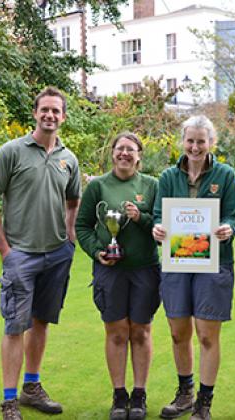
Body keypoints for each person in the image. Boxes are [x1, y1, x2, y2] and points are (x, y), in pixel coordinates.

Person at [0, 86, 81, 420]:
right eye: (45, 110)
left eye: (56, 111)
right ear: (35, 113)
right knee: (14, 327)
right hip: (20, 255)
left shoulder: (69, 159)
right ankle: (9, 401)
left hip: (56, 255)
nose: (50, 115)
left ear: (63, 116)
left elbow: (73, 201)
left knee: (41, 322)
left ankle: (31, 388)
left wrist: (69, 238)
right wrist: (5, 250)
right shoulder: (12, 151)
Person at [152, 115, 235, 420]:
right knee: (179, 333)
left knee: (206, 335)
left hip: (214, 262)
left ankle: (204, 403)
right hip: (176, 263)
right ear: (183, 141)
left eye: (201, 141)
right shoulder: (167, 177)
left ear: (211, 143)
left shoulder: (226, 175)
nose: (194, 146)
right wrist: (158, 228)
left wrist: (228, 228)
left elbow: (233, 215)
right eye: (190, 140)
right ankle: (185, 393)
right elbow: (157, 214)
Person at [76, 132, 160, 420]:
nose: (124, 154)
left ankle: (139, 394)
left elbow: (162, 226)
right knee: (116, 332)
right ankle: (119, 394)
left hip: (145, 270)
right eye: (119, 149)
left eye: (130, 150)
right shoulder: (98, 186)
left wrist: (142, 218)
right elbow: (83, 226)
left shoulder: (151, 186)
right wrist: (96, 251)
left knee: (140, 330)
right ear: (112, 153)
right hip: (109, 270)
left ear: (139, 156)